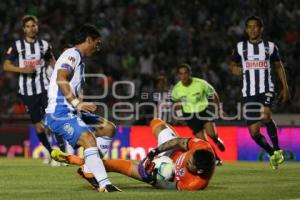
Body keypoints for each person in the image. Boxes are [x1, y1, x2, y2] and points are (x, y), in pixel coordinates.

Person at [44, 24, 121, 192]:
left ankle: (88, 169)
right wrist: (77, 103)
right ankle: (104, 183)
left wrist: (80, 103)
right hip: (59, 112)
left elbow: (73, 85)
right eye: (97, 43)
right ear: (88, 40)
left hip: (72, 110)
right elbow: (61, 78)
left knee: (108, 128)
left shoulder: (79, 59)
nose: (98, 47)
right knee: (88, 139)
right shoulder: (72, 54)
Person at [52, 118, 216, 191]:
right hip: (169, 152)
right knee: (156, 123)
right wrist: (155, 151)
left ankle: (75, 161)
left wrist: (151, 177)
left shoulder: (194, 184)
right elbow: (179, 142)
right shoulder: (201, 146)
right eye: (189, 159)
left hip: (161, 174)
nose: (187, 162)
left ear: (199, 171)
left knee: (112, 165)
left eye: (189, 165)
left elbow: (170, 187)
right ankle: (81, 163)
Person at [230, 16, 290, 169]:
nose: (252, 29)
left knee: (266, 115)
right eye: (249, 27)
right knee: (254, 132)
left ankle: (277, 150)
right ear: (246, 29)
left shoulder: (270, 47)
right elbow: (233, 64)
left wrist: (285, 87)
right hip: (249, 92)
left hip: (266, 88)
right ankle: (271, 153)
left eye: (255, 26)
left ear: (261, 28)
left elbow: (278, 66)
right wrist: (235, 69)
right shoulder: (240, 47)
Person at [3, 15, 65, 164]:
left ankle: (63, 153)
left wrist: (60, 76)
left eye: (34, 25)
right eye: (28, 26)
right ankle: (51, 153)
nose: (31, 28)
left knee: (54, 119)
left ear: (38, 27)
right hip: (27, 93)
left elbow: (52, 61)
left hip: (44, 88)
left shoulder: (44, 45)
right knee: (38, 126)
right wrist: (22, 70)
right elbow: (6, 65)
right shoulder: (17, 46)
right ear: (24, 29)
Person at [171, 64, 225, 165]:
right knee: (203, 141)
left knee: (211, 134)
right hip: (190, 115)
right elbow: (176, 103)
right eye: (181, 74)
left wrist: (218, 109)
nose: (184, 76)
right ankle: (216, 158)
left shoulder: (200, 83)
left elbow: (213, 95)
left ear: (189, 73)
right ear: (178, 75)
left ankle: (216, 140)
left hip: (204, 111)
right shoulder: (177, 89)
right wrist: (179, 115)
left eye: (186, 73)